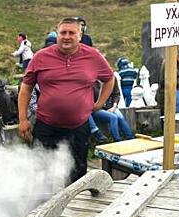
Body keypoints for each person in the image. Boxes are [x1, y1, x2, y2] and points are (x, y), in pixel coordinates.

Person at [18, 17, 114, 184]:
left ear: (80, 35)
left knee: (77, 175)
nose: (67, 36)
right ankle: (42, 208)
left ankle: (75, 208)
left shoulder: (93, 56)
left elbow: (109, 78)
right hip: (46, 127)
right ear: (57, 35)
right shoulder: (41, 57)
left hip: (78, 128)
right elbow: (26, 87)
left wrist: (99, 104)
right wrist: (23, 119)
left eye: (72, 33)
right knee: (41, 174)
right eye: (63, 32)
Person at [92, 77, 134, 142]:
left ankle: (131, 138)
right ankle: (117, 140)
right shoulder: (93, 80)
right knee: (113, 117)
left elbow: (116, 94)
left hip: (111, 105)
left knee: (120, 117)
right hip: (98, 108)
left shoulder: (112, 78)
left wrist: (113, 107)